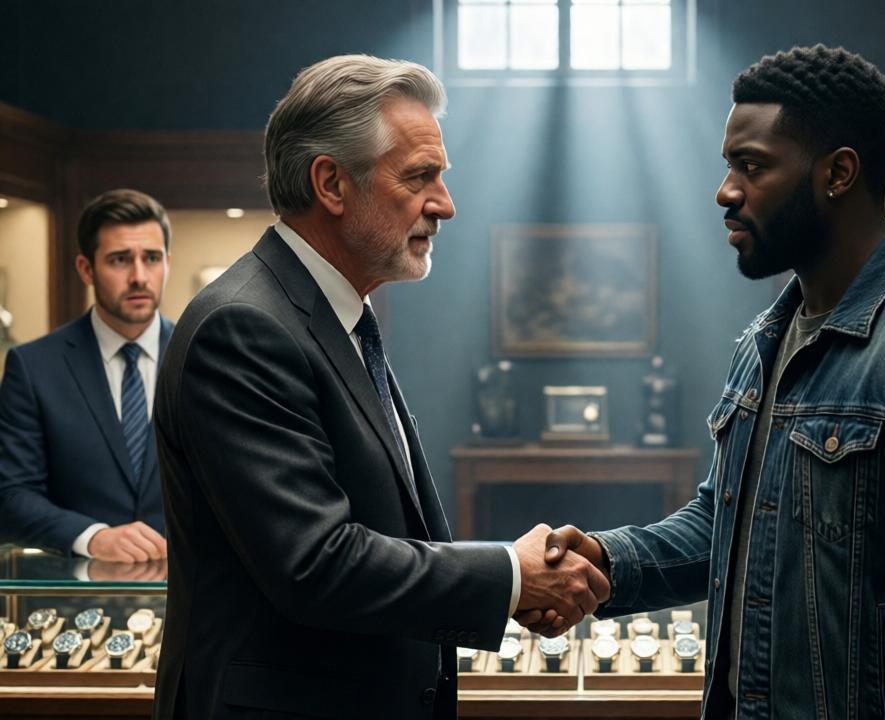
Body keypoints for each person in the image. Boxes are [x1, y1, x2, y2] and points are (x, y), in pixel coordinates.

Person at [520, 44, 885, 719]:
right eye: (729, 165)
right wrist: (605, 561)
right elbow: (725, 523)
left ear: (838, 173)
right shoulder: (766, 338)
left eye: (753, 166)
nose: (726, 191)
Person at [152, 55, 608, 720]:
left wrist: (513, 581)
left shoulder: (333, 318)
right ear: (331, 183)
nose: (445, 204)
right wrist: (512, 575)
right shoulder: (245, 327)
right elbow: (316, 563)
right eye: (420, 177)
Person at [0, 189, 173, 562]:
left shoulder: (206, 357)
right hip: (76, 589)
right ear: (85, 268)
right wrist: (92, 537)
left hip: (191, 588)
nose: (139, 276)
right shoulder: (33, 367)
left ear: (167, 263)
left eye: (152, 258)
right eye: (120, 260)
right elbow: (11, 495)